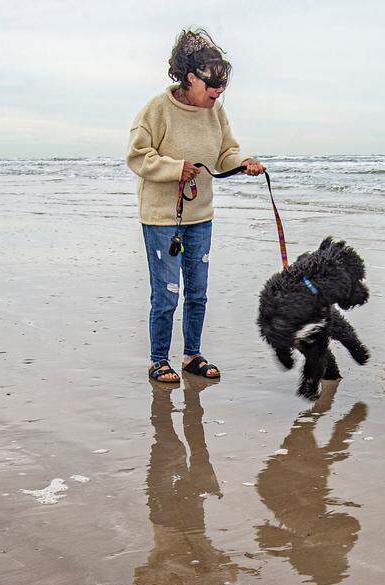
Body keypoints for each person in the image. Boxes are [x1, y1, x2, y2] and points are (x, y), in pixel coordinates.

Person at [127, 27, 265, 383]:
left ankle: (191, 355)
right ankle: (159, 359)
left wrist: (242, 162)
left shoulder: (215, 113)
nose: (218, 93)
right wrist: (175, 169)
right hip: (161, 218)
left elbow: (224, 154)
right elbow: (137, 156)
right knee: (167, 293)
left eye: (223, 86)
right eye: (212, 85)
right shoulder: (157, 109)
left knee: (198, 292)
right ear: (190, 77)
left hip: (200, 216)